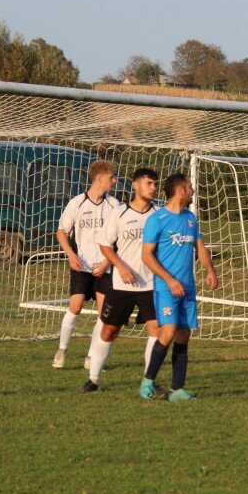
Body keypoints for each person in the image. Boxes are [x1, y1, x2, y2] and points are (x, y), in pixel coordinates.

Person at [139, 173, 218, 401]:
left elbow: (200, 248)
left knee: (184, 334)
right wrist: (170, 280)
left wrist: (210, 270)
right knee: (169, 331)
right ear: (180, 191)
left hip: (187, 288)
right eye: (190, 187)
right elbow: (146, 256)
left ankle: (177, 389)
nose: (193, 191)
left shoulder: (191, 219)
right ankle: (148, 381)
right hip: (166, 287)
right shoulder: (157, 219)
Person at [81, 168, 161, 393]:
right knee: (110, 331)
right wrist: (122, 266)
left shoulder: (159, 214)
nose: (153, 188)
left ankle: (149, 380)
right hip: (121, 284)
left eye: (155, 184)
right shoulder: (119, 213)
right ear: (135, 186)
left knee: (156, 330)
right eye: (149, 183)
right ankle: (93, 379)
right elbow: (105, 245)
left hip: (151, 284)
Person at [52, 160, 120, 370]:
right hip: (82, 266)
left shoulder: (114, 205)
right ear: (99, 179)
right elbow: (62, 231)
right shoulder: (77, 203)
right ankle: (62, 351)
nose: (114, 181)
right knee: (76, 305)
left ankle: (91, 357)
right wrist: (71, 254)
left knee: (104, 314)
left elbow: (117, 240)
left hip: (105, 267)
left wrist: (107, 261)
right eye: (111, 177)